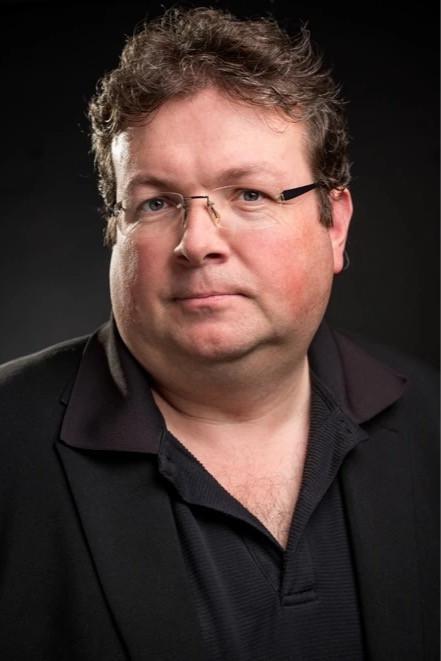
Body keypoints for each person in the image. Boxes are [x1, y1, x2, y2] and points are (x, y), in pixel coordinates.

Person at [0, 7, 438, 661]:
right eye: (156, 202)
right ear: (117, 229)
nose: (197, 241)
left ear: (335, 224)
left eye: (249, 194)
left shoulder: (432, 420)